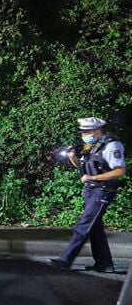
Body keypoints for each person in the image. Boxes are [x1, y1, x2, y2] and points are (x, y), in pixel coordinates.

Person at [49, 116, 125, 272]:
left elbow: (119, 171)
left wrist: (93, 177)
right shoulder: (91, 146)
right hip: (91, 191)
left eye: (86, 132)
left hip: (103, 191)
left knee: (83, 225)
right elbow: (83, 166)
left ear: (97, 131)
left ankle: (65, 259)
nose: (84, 135)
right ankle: (105, 264)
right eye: (83, 132)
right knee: (95, 228)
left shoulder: (112, 146)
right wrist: (73, 158)